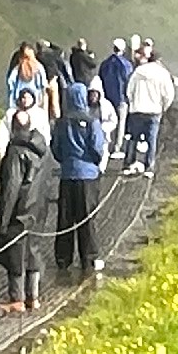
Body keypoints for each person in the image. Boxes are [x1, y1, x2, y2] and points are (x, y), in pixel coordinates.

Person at [0, 69, 53, 313]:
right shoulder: (43, 152)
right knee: (33, 251)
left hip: (19, 211)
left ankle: (16, 299)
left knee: (15, 254)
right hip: (37, 211)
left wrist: (3, 221)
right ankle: (33, 298)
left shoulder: (15, 153)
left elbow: (11, 188)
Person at [53, 75, 116, 285]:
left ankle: (63, 258)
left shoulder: (62, 122)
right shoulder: (91, 121)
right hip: (88, 175)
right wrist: (92, 162)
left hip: (67, 174)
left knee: (65, 219)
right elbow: (97, 147)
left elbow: (56, 148)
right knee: (87, 218)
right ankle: (88, 258)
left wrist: (66, 161)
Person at [125, 42, 176, 176]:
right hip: (154, 111)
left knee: (133, 138)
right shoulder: (163, 73)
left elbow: (129, 90)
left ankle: (129, 163)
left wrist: (133, 103)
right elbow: (169, 94)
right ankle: (149, 167)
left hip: (137, 109)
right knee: (151, 139)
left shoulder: (138, 71)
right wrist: (164, 107)